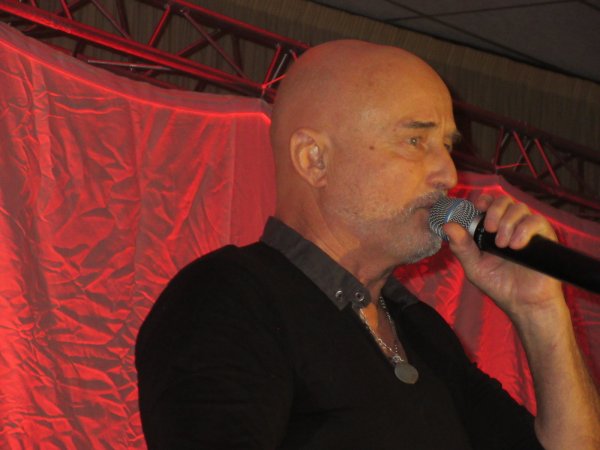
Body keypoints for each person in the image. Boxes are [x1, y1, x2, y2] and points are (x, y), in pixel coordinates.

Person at [135, 40, 600, 449]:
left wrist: (541, 311)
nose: (448, 173)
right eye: (415, 140)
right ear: (314, 159)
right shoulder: (229, 296)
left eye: (446, 145)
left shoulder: (423, 333)